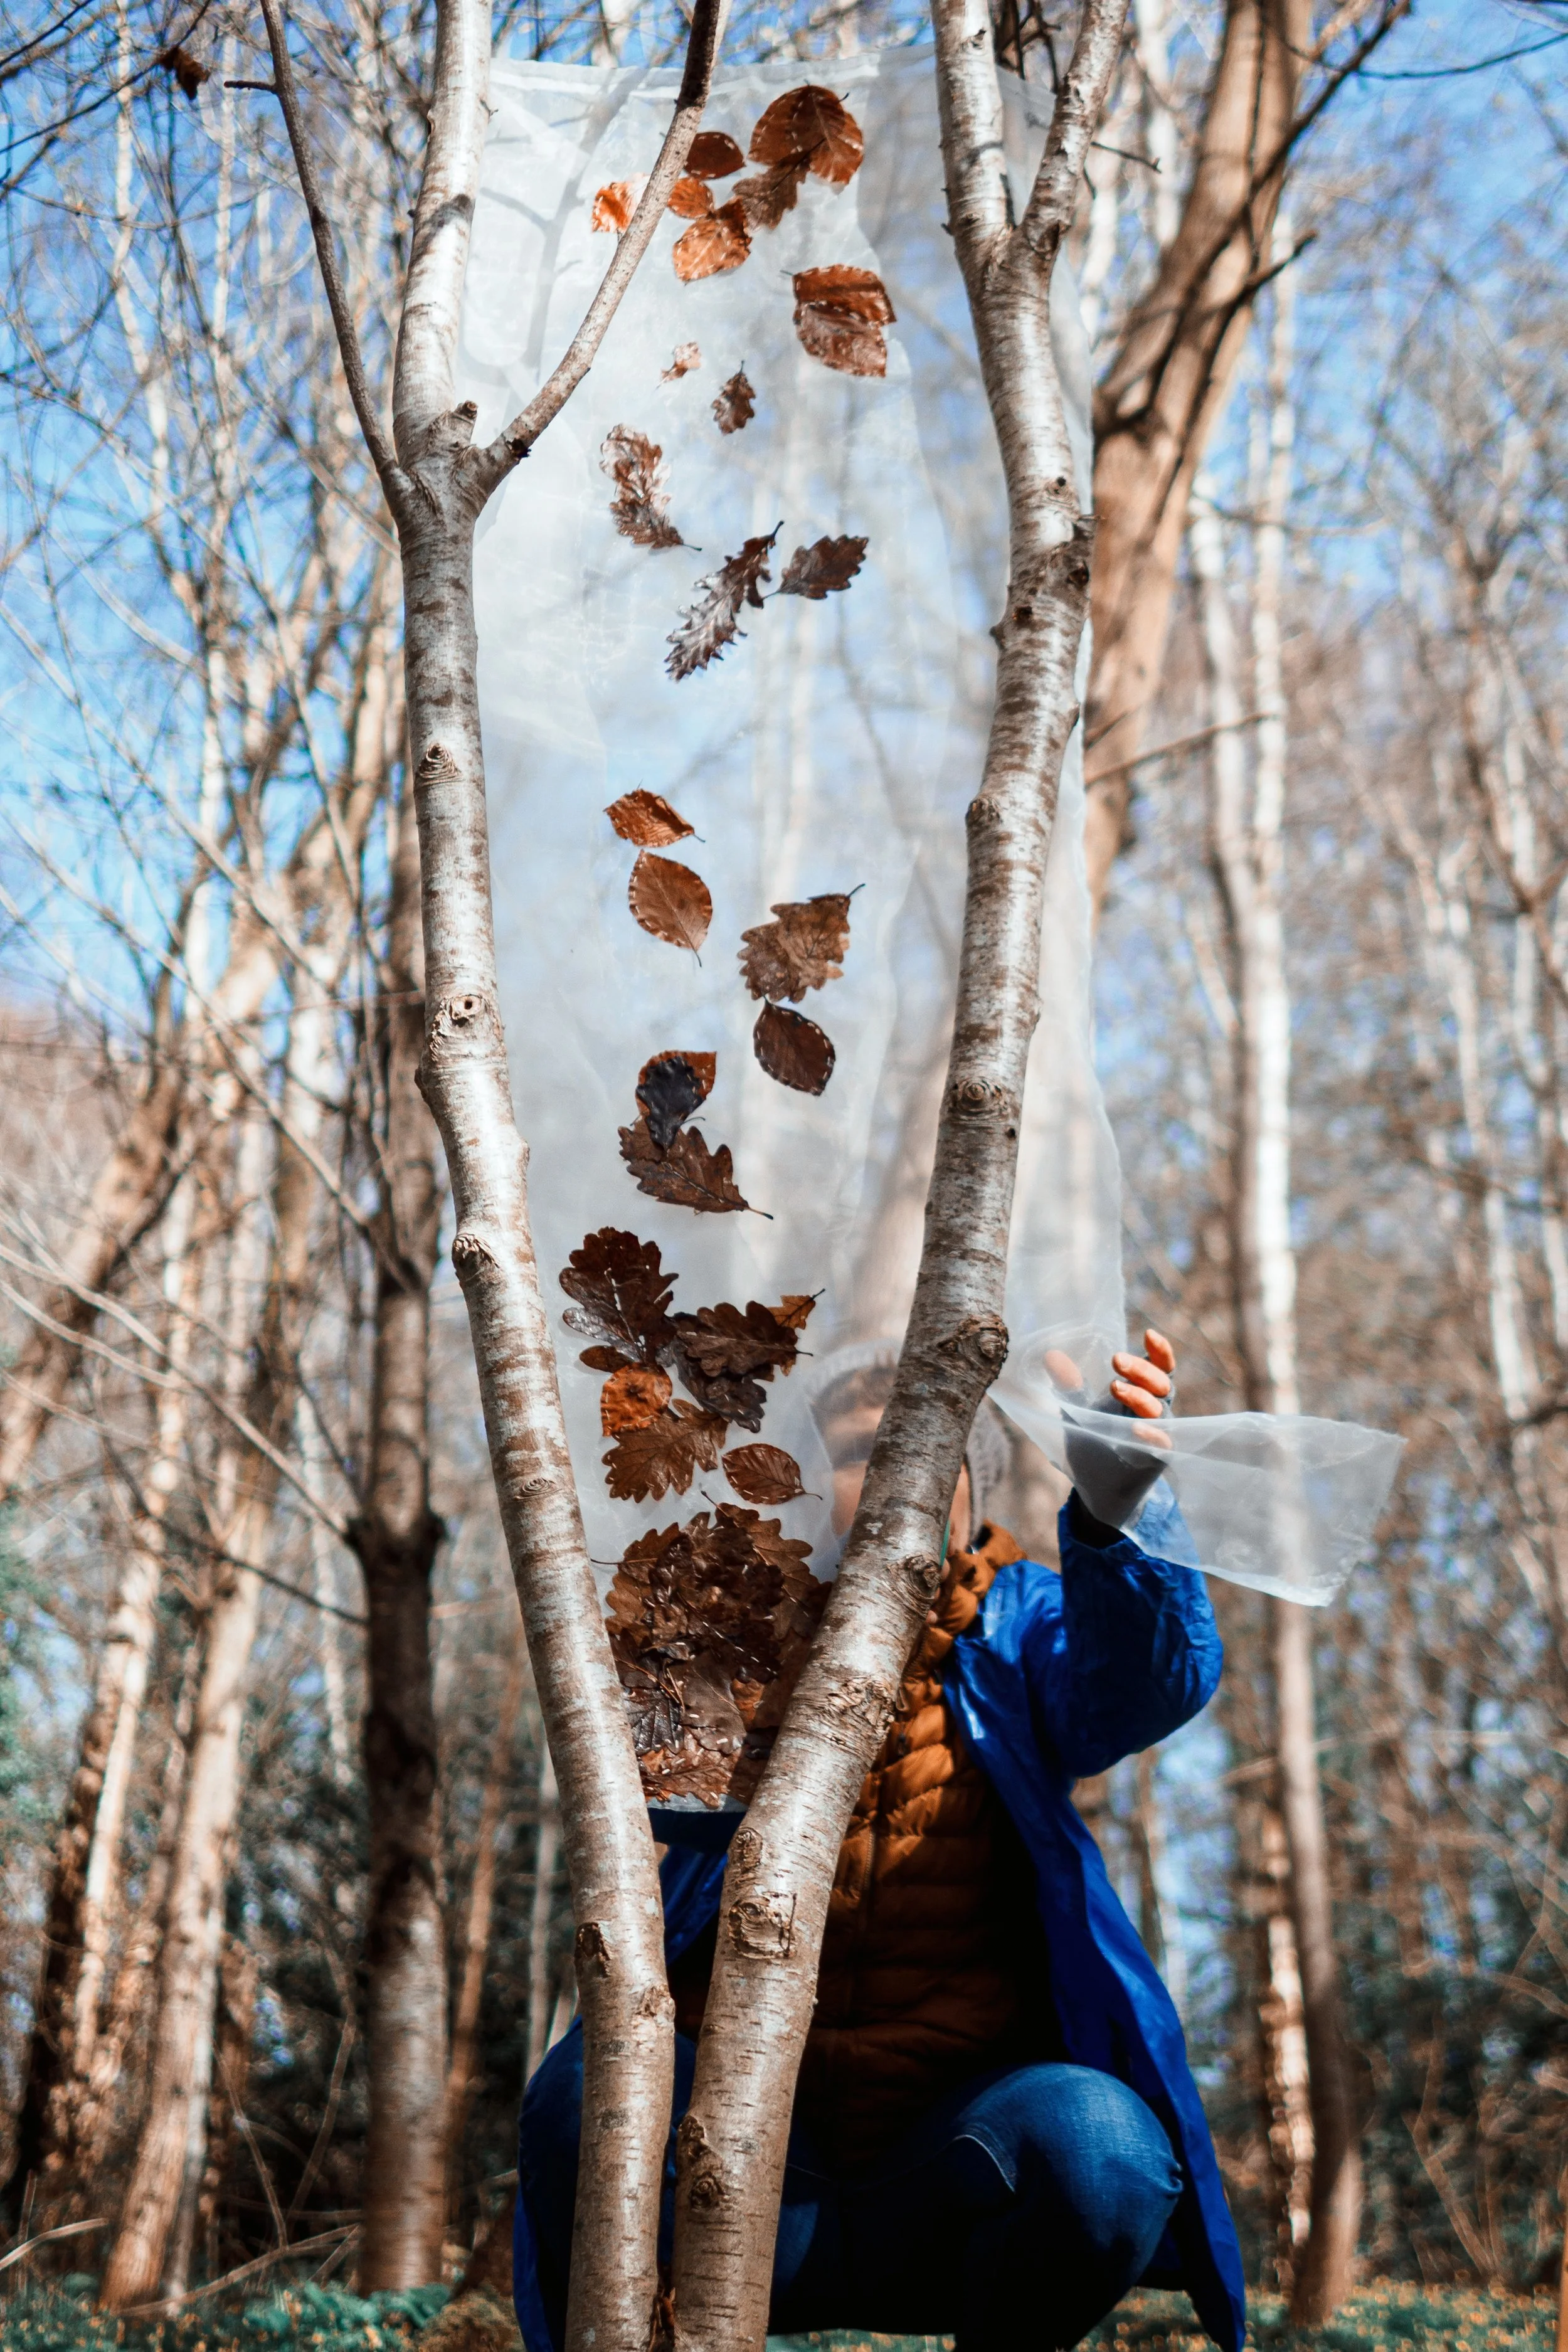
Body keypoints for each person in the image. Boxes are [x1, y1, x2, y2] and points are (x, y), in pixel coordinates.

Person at [513, 1330, 1247, 2352]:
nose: (899, 1477)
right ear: (810, 1488)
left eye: (926, 1450)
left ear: (970, 1486)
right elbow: (656, 1796)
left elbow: (1146, 1683)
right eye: (863, 1452)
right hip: (751, 2180)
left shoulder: (1018, 1616)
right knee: (584, 2089)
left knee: (1100, 2146)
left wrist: (1121, 1510)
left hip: (953, 2175)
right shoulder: (752, 1625)